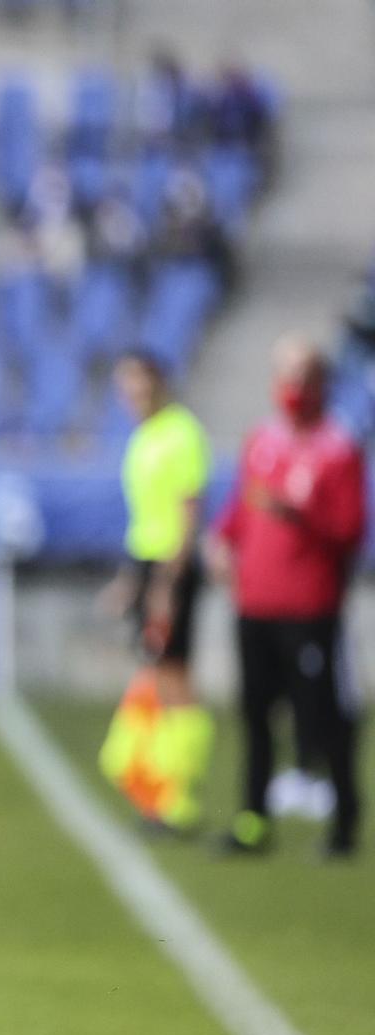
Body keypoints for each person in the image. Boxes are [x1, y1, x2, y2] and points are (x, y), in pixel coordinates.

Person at [210, 335, 366, 858]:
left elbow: (350, 529)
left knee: (323, 715)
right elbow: (241, 507)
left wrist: (297, 513)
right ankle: (253, 820)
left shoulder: (338, 448)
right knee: (256, 716)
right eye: (285, 376)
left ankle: (343, 824)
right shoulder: (263, 440)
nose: (292, 387)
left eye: (302, 376)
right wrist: (222, 540)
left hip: (311, 608)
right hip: (255, 604)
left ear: (322, 383)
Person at [97, 349, 215, 832]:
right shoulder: (143, 437)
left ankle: (177, 795)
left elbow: (188, 514)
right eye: (125, 387)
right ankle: (159, 790)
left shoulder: (181, 432)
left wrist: (167, 582)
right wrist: (131, 580)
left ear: (158, 382)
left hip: (172, 567)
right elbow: (146, 517)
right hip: (150, 565)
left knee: (174, 678)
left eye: (139, 385)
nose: (132, 396)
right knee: (157, 673)